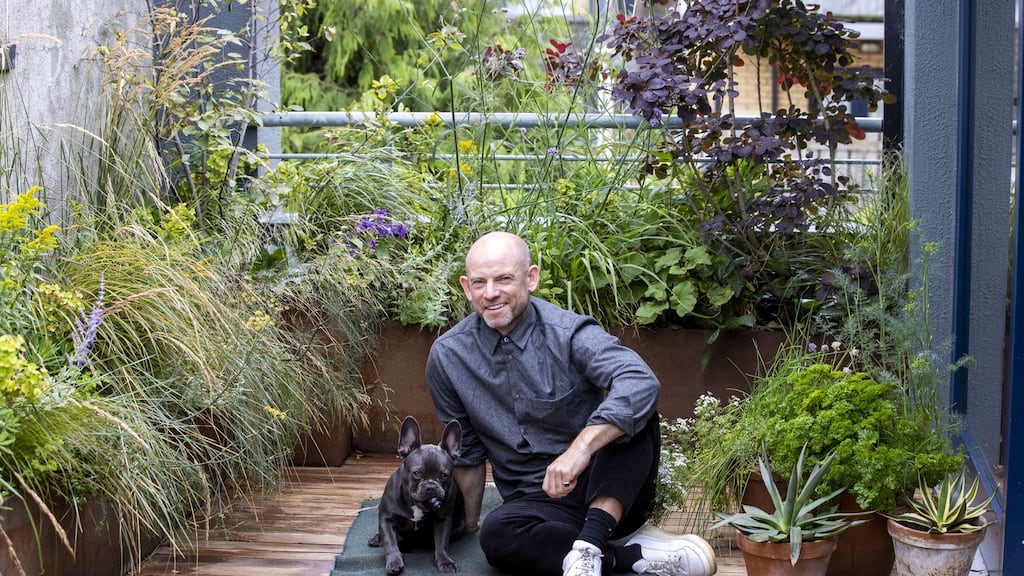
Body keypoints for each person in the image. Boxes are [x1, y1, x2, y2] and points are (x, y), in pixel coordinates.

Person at [425, 231, 717, 576]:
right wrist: (470, 522)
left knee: (634, 418)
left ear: (531, 278)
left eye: (504, 279)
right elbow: (468, 454)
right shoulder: (448, 356)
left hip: (608, 491)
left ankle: (595, 539)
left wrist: (580, 449)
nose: (491, 293)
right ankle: (625, 557)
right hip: (536, 504)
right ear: (465, 286)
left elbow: (640, 381)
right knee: (497, 536)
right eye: (479, 282)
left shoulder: (570, 333)